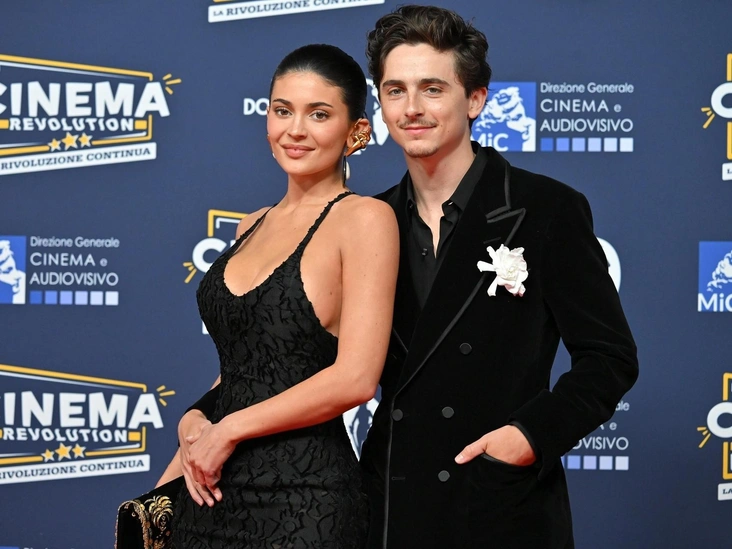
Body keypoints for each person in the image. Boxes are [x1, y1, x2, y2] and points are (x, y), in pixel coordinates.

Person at [358, 6, 639, 548]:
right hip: (391, 505)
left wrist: (528, 436)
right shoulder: (368, 221)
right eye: (395, 91)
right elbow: (305, 354)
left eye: (432, 89)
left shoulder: (546, 209)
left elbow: (609, 359)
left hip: (499, 504)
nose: (411, 108)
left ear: (475, 100)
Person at [155, 44, 399, 548]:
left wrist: (228, 430)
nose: (295, 129)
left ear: (356, 131)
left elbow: (355, 379)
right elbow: (244, 368)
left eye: (319, 114)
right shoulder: (250, 225)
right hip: (211, 487)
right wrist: (195, 417)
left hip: (305, 500)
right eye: (282, 110)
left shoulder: (365, 220)